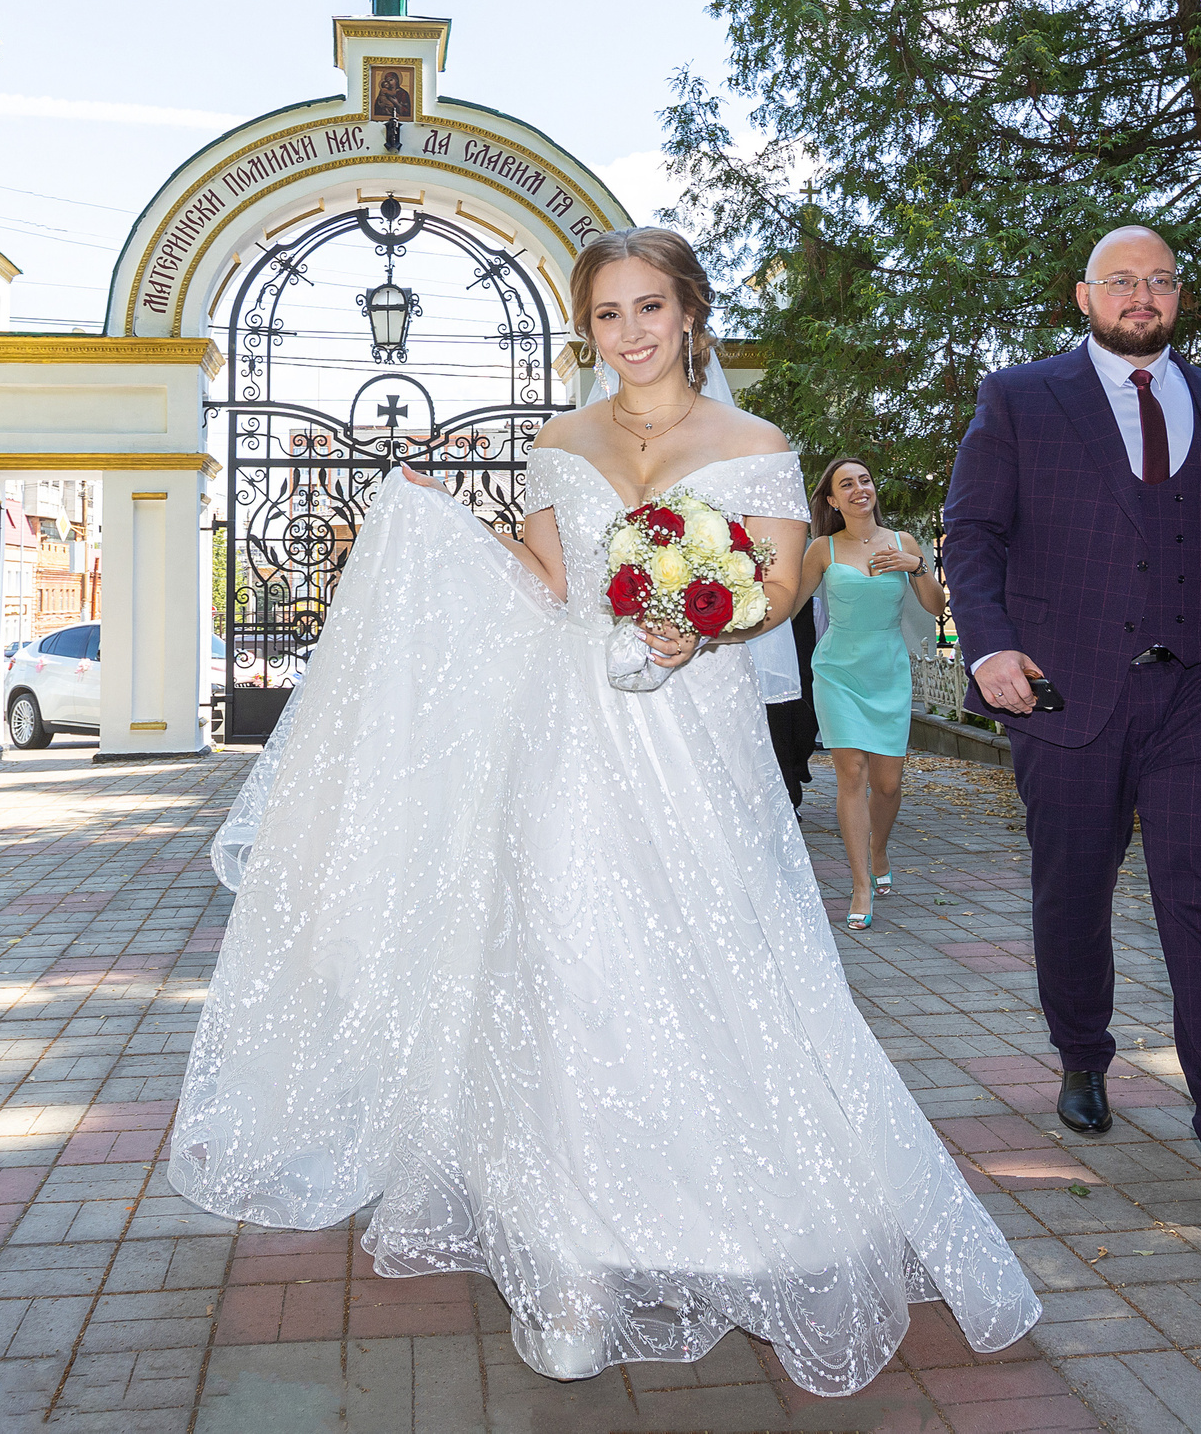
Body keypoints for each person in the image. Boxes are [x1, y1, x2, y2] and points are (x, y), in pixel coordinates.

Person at [173, 227, 1039, 1395]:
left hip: (699, 740)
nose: (629, 334)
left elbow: (779, 592)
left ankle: (739, 1219)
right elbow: (550, 589)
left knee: (709, 956)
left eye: (649, 308)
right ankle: (572, 1264)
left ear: (689, 313)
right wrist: (440, 526)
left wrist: (706, 621)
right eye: (607, 315)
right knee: (566, 971)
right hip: (567, 742)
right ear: (589, 329)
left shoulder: (756, 445)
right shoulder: (555, 443)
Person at [940, 224, 1201, 1227]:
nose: (1141, 296)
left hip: (1200, 697)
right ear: (1083, 296)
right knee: (1071, 892)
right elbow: (972, 534)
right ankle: (1082, 1052)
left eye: (1158, 281)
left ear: (1176, 297)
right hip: (1065, 697)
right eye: (1121, 281)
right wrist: (987, 649)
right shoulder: (1021, 399)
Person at [794, 459, 945, 930]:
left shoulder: (904, 543)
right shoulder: (823, 549)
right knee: (851, 774)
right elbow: (787, 604)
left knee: (888, 784)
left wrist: (916, 566)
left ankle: (878, 848)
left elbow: (936, 607)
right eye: (846, 484)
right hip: (838, 670)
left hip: (888, 672)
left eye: (865, 479)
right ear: (833, 500)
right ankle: (860, 883)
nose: (859, 489)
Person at [763, 580, 819, 806]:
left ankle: (795, 775)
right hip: (762, 679)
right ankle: (789, 794)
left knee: (797, 735)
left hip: (798, 687)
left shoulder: (812, 607)